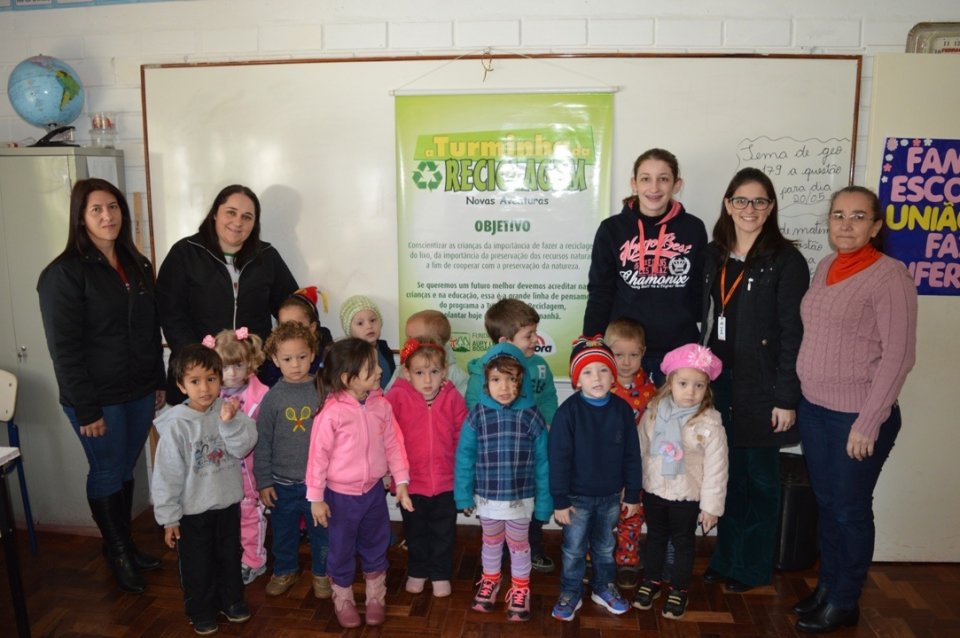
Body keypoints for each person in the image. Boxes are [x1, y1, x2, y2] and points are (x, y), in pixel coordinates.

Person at [792, 186, 917, 634]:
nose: (846, 225)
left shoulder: (890, 277)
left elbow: (899, 357)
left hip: (857, 418)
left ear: (876, 226)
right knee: (827, 506)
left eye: (858, 216)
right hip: (815, 410)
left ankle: (845, 601)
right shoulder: (827, 266)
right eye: (838, 215)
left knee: (849, 510)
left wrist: (868, 422)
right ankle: (828, 589)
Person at [37, 178, 165, 594]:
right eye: (96, 209)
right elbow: (64, 350)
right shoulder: (63, 274)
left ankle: (121, 544)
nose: (108, 216)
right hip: (96, 398)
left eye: (113, 207)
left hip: (139, 390)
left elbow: (149, 329)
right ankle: (119, 553)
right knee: (107, 470)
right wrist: (86, 408)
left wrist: (158, 380)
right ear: (80, 217)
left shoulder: (138, 264)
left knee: (124, 467)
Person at [699, 167, 809, 592]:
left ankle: (753, 567)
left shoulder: (786, 260)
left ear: (771, 207)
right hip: (719, 383)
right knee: (725, 474)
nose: (750, 209)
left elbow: (793, 333)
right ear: (728, 205)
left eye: (760, 201)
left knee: (759, 481)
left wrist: (786, 397)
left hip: (764, 388)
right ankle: (727, 558)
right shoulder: (714, 255)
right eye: (741, 200)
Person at [151, 344, 258, 635]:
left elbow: (244, 446)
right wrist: (169, 518)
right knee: (198, 565)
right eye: (195, 381)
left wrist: (230, 423)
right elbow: (166, 476)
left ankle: (232, 601)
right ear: (180, 385)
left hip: (227, 505)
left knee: (229, 557)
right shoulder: (176, 426)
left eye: (211, 379)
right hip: (192, 512)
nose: (204, 388)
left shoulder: (228, 410)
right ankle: (200, 610)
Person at [157, 184, 298, 404]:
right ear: (215, 213)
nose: (238, 222)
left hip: (252, 379)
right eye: (231, 212)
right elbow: (171, 315)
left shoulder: (267, 256)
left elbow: (291, 307)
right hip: (199, 378)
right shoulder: (184, 253)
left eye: (247, 217)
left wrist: (274, 351)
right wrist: (199, 361)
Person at [306, 338, 413, 628]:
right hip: (340, 498)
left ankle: (376, 595)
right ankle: (343, 598)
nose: (380, 370)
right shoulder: (331, 412)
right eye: (371, 367)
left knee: (376, 543)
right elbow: (317, 457)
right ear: (348, 378)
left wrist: (401, 480)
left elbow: (394, 444)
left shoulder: (381, 405)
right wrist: (316, 498)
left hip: (373, 493)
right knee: (340, 549)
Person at [583, 148, 707, 384]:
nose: (654, 188)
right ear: (634, 184)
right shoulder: (612, 229)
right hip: (626, 353)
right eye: (646, 179)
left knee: (678, 410)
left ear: (677, 184)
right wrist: (590, 342)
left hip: (679, 351)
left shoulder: (693, 228)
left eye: (663, 179)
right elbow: (600, 291)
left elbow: (699, 289)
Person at [454, 343, 552, 622]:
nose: (505, 387)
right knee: (491, 542)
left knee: (519, 545)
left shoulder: (531, 416)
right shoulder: (477, 415)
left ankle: (520, 589)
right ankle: (490, 580)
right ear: (486, 381)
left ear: (522, 381)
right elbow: (465, 456)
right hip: (488, 497)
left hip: (520, 498)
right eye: (497, 379)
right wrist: (463, 495)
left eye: (512, 379)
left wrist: (544, 504)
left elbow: (543, 464)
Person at [548, 336, 642, 622]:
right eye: (587, 372)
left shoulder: (622, 410)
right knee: (574, 550)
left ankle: (603, 587)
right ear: (577, 381)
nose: (597, 378)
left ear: (613, 376)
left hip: (611, 497)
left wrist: (633, 494)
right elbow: (558, 460)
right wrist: (560, 500)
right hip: (575, 499)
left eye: (603, 370)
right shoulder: (568, 413)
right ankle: (570, 592)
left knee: (604, 547)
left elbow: (632, 455)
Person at [633, 344, 728, 620]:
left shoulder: (710, 422)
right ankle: (651, 580)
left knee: (683, 543)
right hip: (654, 490)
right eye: (683, 383)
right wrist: (633, 486)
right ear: (670, 382)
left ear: (707, 388)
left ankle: (679, 588)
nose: (691, 391)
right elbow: (640, 449)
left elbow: (717, 468)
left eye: (699, 385)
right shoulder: (654, 411)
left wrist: (711, 507)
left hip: (687, 496)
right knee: (655, 538)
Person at [465, 298, 558, 573]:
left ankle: (532, 548)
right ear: (505, 341)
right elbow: (474, 408)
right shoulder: (481, 373)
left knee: (532, 498)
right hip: (497, 456)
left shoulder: (539, 366)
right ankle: (499, 552)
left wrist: (548, 422)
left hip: (531, 450)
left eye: (535, 332)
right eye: (528, 335)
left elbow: (549, 397)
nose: (535, 340)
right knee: (498, 510)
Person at [385, 338, 468, 597]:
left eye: (434, 371)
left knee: (444, 532)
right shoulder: (396, 397)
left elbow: (462, 438)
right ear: (407, 373)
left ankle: (441, 574)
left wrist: (463, 478)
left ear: (444, 371)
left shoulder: (453, 397)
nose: (428, 380)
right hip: (411, 484)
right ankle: (418, 570)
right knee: (415, 531)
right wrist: (390, 473)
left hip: (446, 482)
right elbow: (388, 437)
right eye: (420, 373)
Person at [252, 322, 330, 599]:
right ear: (275, 360)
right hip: (281, 485)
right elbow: (262, 442)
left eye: (301, 356)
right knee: (284, 533)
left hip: (316, 486)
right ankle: (285, 570)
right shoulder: (272, 398)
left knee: (322, 532)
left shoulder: (323, 391)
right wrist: (264, 482)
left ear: (313, 354)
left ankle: (322, 573)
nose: (295, 364)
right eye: (287, 359)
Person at [209, 327, 270, 585]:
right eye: (225, 367)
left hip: (249, 472)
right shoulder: (209, 394)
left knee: (249, 516)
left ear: (250, 364)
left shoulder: (262, 396)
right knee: (224, 517)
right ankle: (229, 557)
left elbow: (266, 438)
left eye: (238, 365)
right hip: (219, 471)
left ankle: (254, 561)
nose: (232, 373)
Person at [604, 318, 657, 589]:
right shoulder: (600, 387)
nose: (626, 362)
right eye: (619, 355)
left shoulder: (652, 392)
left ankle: (627, 559)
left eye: (633, 355)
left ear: (643, 353)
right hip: (604, 466)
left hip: (637, 466)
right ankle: (595, 557)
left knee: (631, 513)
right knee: (600, 514)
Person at [384, 309, 470, 395]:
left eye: (411, 339)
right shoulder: (405, 367)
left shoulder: (455, 374)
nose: (407, 342)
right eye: (407, 337)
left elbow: (463, 400)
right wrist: (401, 380)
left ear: (434, 341)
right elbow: (388, 395)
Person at [260, 286, 333, 386]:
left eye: (298, 325)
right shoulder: (272, 359)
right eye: (285, 326)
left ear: (312, 327)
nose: (291, 331)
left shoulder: (327, 354)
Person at [340, 294, 395, 389]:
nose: (369, 326)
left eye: (372, 320)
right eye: (360, 323)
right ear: (349, 330)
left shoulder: (384, 348)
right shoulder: (347, 357)